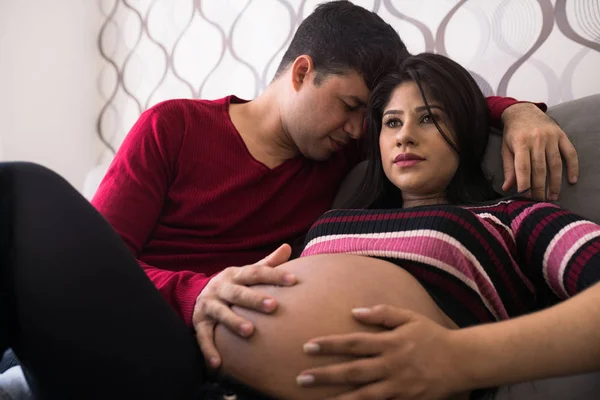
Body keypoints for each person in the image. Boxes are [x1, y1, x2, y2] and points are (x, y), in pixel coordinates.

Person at [0, 1, 579, 399]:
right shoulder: (172, 127)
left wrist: (518, 111)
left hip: (204, 362)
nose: (364, 131)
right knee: (19, 192)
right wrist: (196, 291)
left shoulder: (348, 159)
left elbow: (433, 112)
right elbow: (99, 266)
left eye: (370, 120)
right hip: (146, 319)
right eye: (353, 107)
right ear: (302, 72)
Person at [211, 53, 600, 400]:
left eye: (428, 118)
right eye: (391, 122)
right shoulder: (337, 216)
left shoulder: (513, 218)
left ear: (464, 133)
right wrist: (211, 295)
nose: (404, 136)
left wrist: (458, 357)